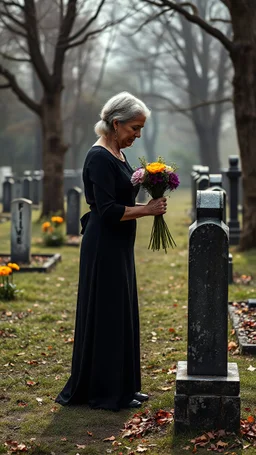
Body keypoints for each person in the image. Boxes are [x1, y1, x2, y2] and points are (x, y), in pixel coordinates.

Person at [56, 92, 167, 411]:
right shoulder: (98, 156)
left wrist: (150, 180)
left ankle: (125, 386)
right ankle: (105, 391)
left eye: (141, 128)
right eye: (135, 127)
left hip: (119, 244)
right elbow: (106, 210)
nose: (138, 135)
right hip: (103, 245)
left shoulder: (117, 152)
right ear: (116, 123)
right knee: (107, 315)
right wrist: (146, 211)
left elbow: (123, 191)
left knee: (122, 312)